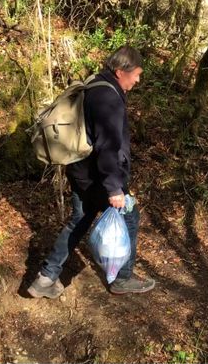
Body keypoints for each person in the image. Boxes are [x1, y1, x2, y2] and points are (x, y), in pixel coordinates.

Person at [28, 45, 155, 298]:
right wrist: (115, 189)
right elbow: (107, 147)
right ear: (121, 71)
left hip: (80, 170)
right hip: (99, 175)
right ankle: (122, 278)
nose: (138, 79)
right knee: (130, 215)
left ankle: (45, 278)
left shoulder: (95, 83)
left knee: (80, 220)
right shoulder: (108, 98)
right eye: (136, 74)